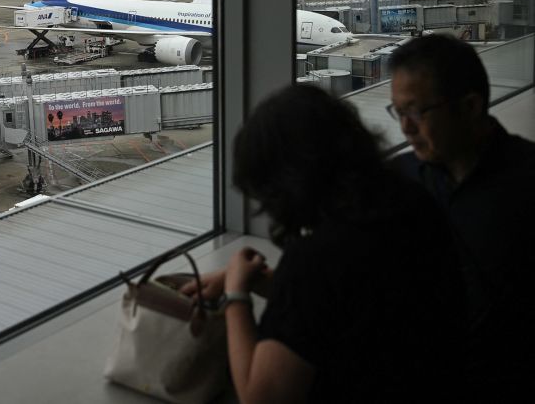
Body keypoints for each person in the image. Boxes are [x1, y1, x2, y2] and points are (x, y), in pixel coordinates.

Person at [185, 83, 464, 404]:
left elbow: (259, 398)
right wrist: (261, 282)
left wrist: (236, 296)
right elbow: (350, 306)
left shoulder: (316, 257)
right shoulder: (414, 203)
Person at [388, 33, 535, 400]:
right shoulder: (397, 181)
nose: (405, 128)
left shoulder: (525, 187)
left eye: (417, 112)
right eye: (399, 112)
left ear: (470, 107)